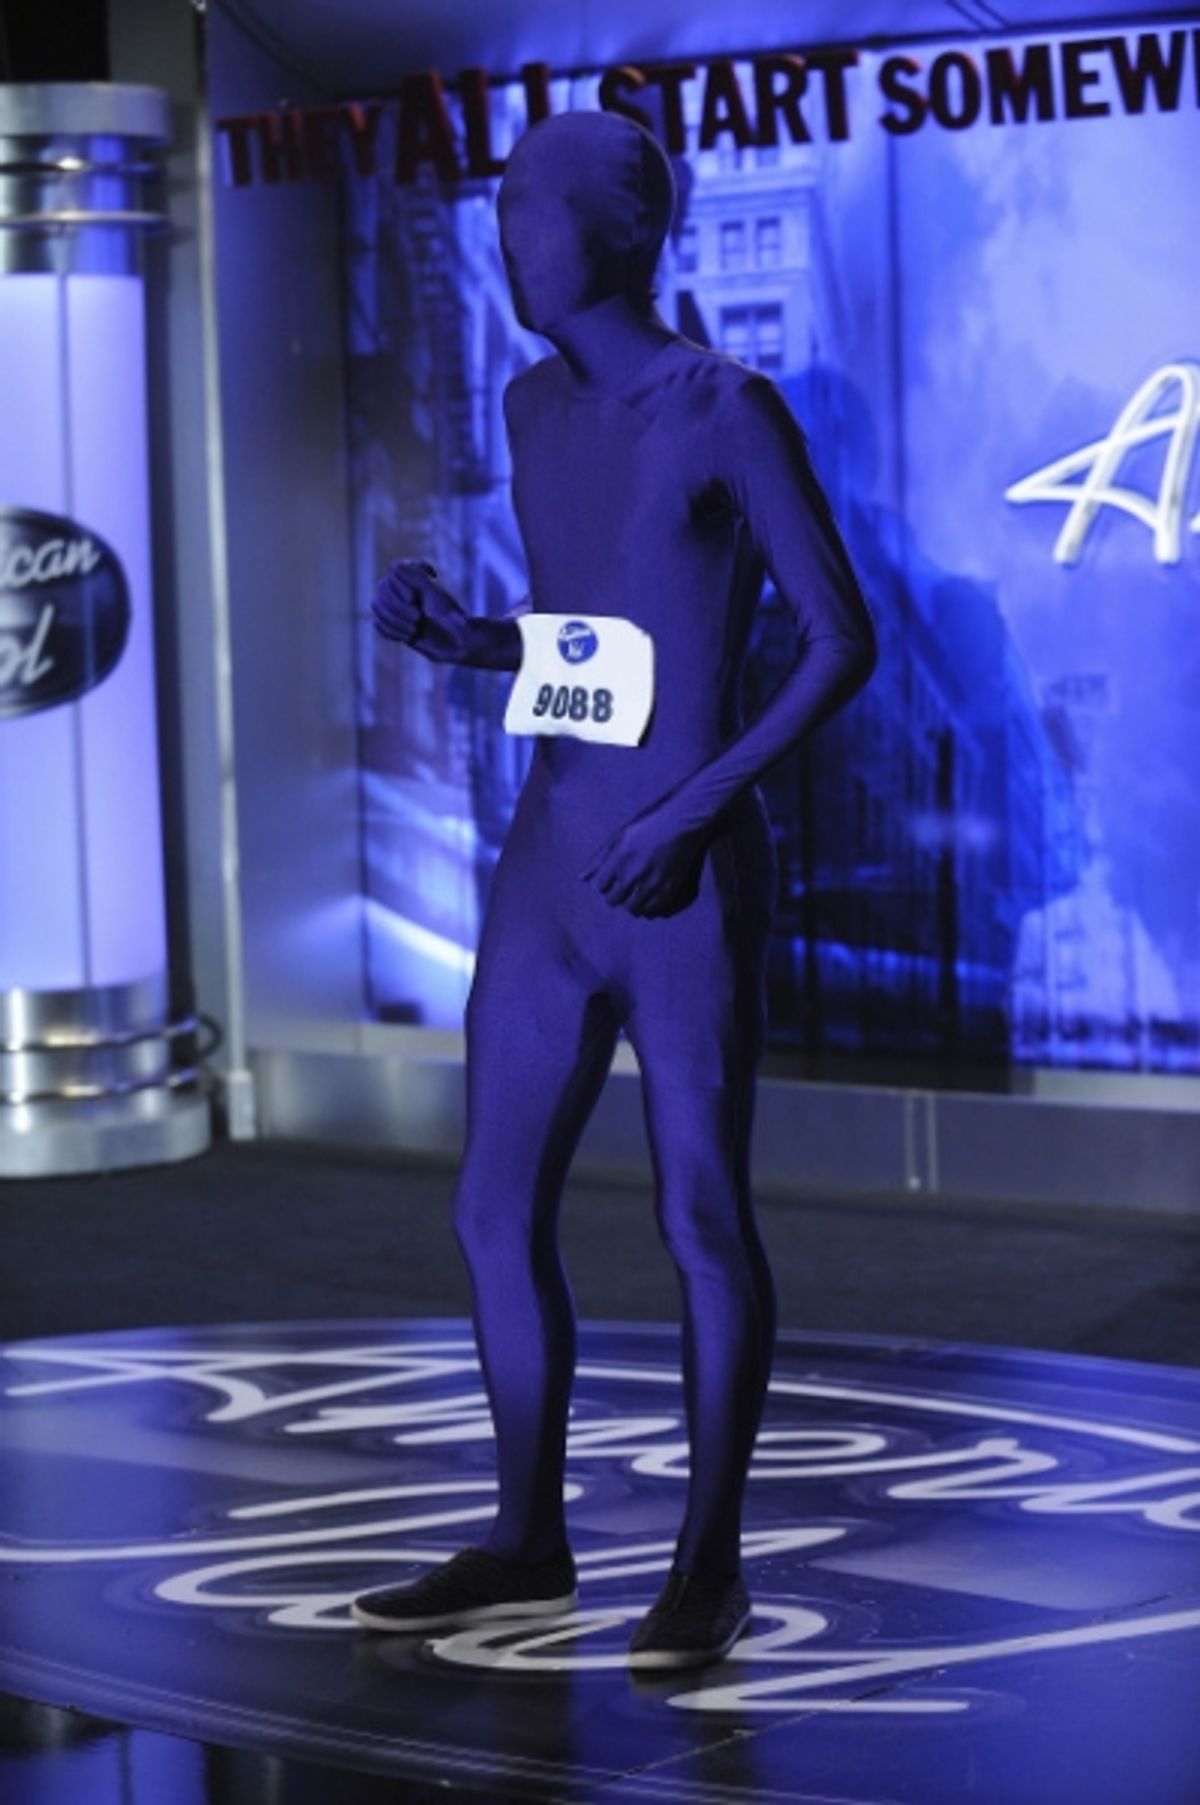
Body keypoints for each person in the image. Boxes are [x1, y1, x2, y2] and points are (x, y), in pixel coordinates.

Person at [351, 107, 877, 1670]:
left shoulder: (724, 407)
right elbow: (596, 636)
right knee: (488, 1204)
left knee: (699, 1210)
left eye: (533, 199)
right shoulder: (529, 408)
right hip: (552, 862)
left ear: (627, 227)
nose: (504, 225)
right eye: (501, 197)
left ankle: (708, 1569)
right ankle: (528, 1538)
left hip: (682, 877)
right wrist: (473, 640)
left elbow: (841, 640)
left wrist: (696, 817)